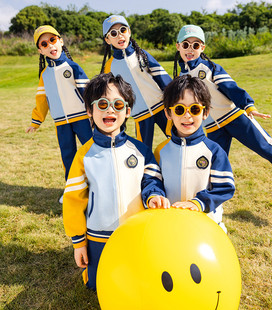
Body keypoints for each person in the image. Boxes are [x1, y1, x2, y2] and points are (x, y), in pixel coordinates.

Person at [173, 24, 272, 204]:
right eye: (186, 44)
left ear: (202, 48)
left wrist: (248, 106)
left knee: (265, 146)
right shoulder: (180, 77)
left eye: (196, 45)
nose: (190, 49)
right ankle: (213, 208)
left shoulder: (210, 68)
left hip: (234, 116)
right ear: (178, 47)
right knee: (213, 167)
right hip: (213, 127)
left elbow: (232, 88)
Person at [62, 72, 169, 291]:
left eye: (118, 104)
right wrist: (78, 243)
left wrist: (154, 195)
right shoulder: (84, 155)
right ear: (90, 111)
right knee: (98, 285)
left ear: (127, 111)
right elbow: (73, 201)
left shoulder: (140, 151)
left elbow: (152, 181)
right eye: (102, 104)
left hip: (135, 234)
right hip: (98, 237)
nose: (110, 110)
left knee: (138, 282)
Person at [154, 75, 235, 233]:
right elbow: (153, 183)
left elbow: (224, 188)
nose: (187, 115)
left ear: (205, 112)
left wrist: (198, 203)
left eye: (195, 109)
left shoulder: (214, 151)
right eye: (179, 109)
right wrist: (156, 196)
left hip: (206, 226)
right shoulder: (161, 151)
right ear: (168, 114)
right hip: (170, 226)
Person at [26, 25, 93, 202]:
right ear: (40, 50)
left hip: (82, 119)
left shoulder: (72, 67)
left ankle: (97, 184)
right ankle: (72, 189)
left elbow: (87, 91)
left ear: (61, 41)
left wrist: (94, 114)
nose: (50, 46)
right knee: (68, 156)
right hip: (61, 124)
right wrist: (36, 121)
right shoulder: (44, 75)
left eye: (53, 40)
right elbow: (42, 100)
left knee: (91, 151)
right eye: (44, 43)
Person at [100, 15, 172, 149]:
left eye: (123, 30)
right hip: (140, 114)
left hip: (161, 106)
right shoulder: (110, 66)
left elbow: (162, 77)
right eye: (113, 33)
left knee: (176, 137)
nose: (119, 35)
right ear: (107, 39)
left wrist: (175, 97)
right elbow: (111, 93)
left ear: (129, 32)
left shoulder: (142, 54)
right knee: (143, 148)